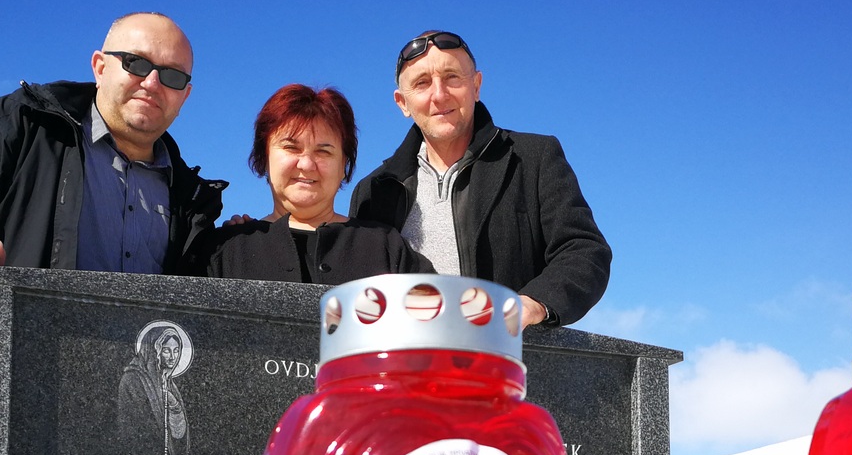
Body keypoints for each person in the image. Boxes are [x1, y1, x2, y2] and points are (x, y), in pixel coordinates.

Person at [0, 12, 227, 425]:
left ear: (185, 95)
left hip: (133, 423)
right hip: (14, 404)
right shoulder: (25, 127)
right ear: (100, 66)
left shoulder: (192, 200)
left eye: (171, 75)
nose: (152, 82)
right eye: (136, 63)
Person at [350, 31, 611, 327]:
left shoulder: (534, 158)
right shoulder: (374, 192)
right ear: (402, 103)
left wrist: (533, 303)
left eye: (452, 77)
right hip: (408, 354)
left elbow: (583, 250)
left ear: (476, 86)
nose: (439, 94)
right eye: (422, 83)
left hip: (508, 351)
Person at [197, 84, 430, 283]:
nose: (307, 164)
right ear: (264, 157)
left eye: (323, 151)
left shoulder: (386, 248)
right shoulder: (224, 251)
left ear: (344, 165)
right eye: (291, 148)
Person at [117, 321, 192, 455]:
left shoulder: (170, 384)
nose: (173, 357)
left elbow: (180, 435)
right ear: (153, 350)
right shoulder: (132, 380)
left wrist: (175, 409)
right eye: (166, 351)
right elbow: (131, 428)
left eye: (176, 350)